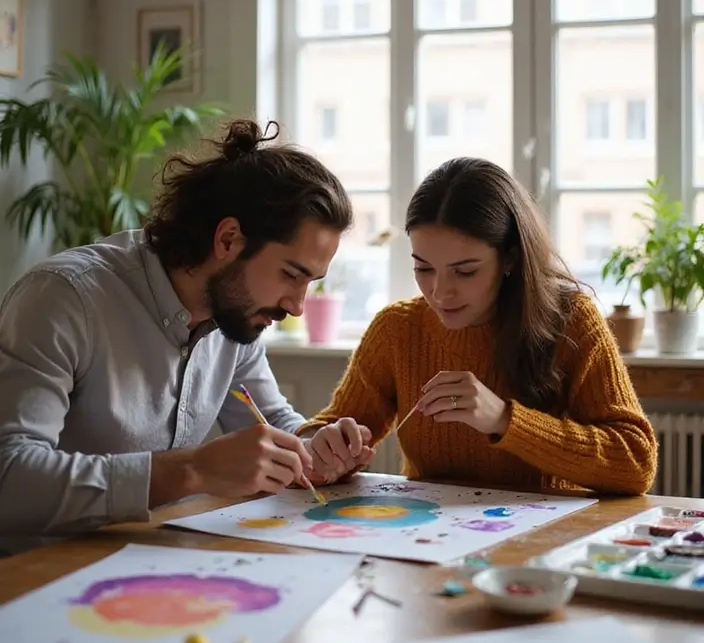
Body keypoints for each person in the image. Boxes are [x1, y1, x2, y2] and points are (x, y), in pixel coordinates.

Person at [0, 119, 369, 550]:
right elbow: (9, 477)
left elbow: (272, 423)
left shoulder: (235, 314)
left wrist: (315, 449)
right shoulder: (63, 299)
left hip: (152, 559)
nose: (297, 306)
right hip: (35, 575)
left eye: (312, 282)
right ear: (228, 239)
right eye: (291, 274)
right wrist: (192, 471)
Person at [303, 157, 657, 496]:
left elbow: (636, 462)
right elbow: (328, 430)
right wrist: (321, 446)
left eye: (465, 271)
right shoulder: (398, 328)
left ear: (510, 258)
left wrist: (504, 419)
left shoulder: (571, 320)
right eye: (423, 268)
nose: (440, 292)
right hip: (429, 542)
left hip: (542, 546)